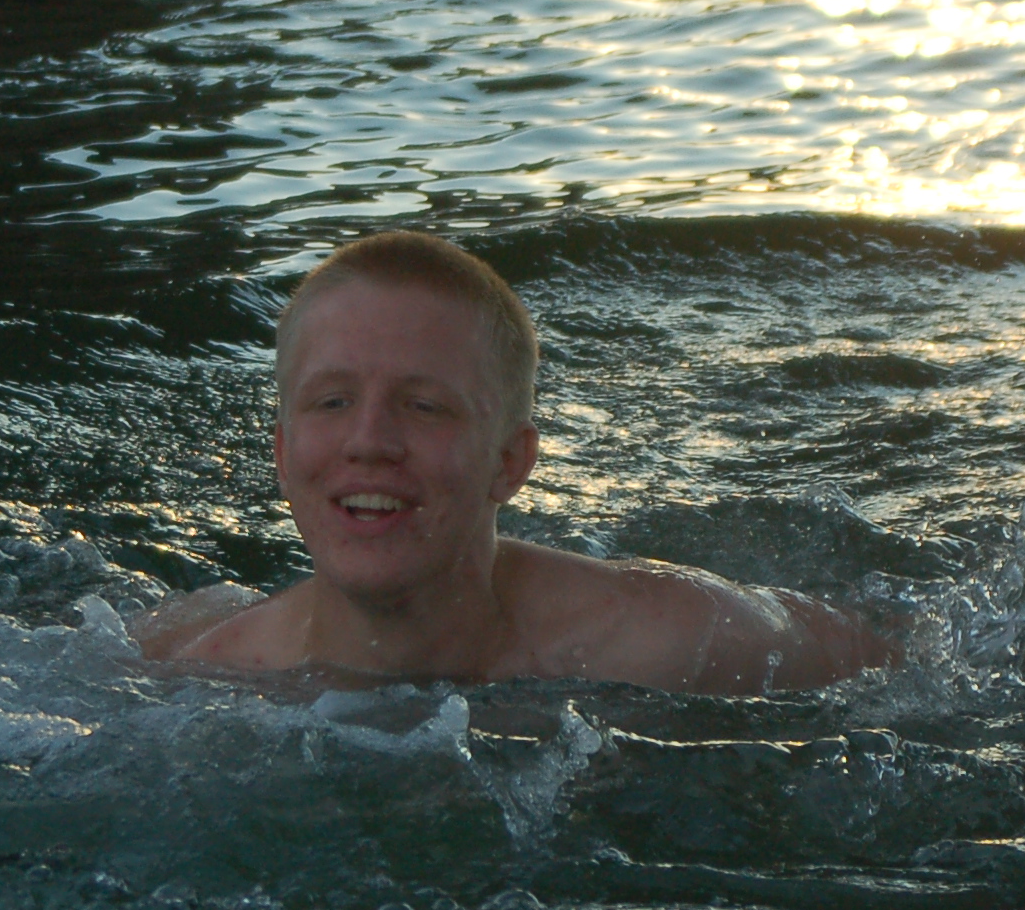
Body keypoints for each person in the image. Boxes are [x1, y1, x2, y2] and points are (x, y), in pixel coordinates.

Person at [136, 230, 900, 693]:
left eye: (423, 405)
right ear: (281, 452)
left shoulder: (670, 643)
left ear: (510, 461)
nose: (368, 440)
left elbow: (909, 667)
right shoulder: (195, 675)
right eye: (331, 402)